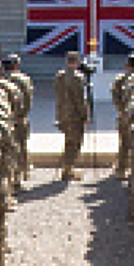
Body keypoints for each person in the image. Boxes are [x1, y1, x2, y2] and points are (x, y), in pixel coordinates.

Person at [54, 51, 91, 182]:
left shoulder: (60, 76)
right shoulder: (77, 78)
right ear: (77, 62)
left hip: (62, 112)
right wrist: (85, 115)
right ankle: (68, 169)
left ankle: (67, 167)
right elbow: (80, 99)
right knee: (74, 142)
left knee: (68, 140)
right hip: (74, 115)